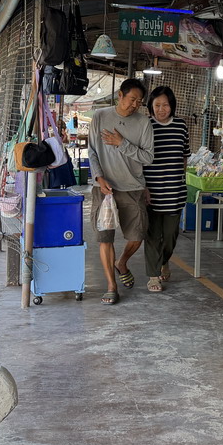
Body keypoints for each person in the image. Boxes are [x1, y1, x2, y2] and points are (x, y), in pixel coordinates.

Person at [87, 78, 154, 304]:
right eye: (132, 99)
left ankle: (122, 262)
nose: (135, 104)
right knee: (104, 238)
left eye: (139, 101)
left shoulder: (143, 123)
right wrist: (98, 176)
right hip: (104, 188)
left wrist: (121, 143)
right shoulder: (99, 117)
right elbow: (92, 151)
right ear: (120, 95)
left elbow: (148, 157)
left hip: (132, 187)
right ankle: (111, 286)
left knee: (138, 234)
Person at [143, 86, 190, 292]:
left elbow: (184, 156)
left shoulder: (181, 126)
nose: (162, 109)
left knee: (171, 235)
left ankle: (163, 260)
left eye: (166, 105)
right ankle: (153, 276)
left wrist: (181, 179)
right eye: (157, 105)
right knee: (153, 235)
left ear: (172, 106)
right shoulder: (145, 125)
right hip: (150, 191)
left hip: (174, 191)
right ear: (151, 107)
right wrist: (142, 186)